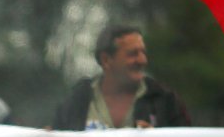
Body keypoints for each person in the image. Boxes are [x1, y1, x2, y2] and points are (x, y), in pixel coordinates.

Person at [52, 25, 190, 130]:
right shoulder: (77, 101)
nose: (143, 60)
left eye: (143, 53)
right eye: (133, 54)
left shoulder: (165, 101)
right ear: (106, 60)